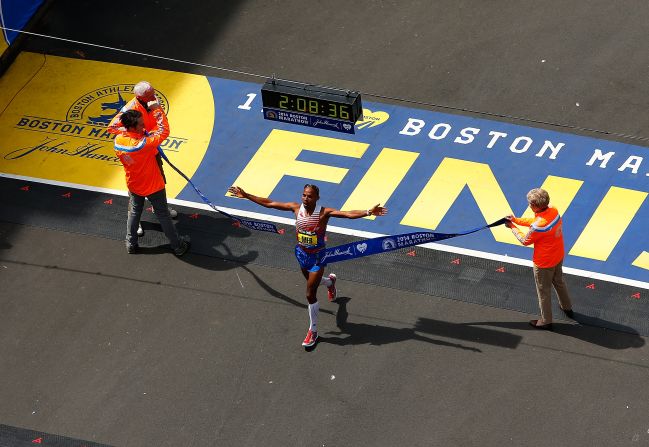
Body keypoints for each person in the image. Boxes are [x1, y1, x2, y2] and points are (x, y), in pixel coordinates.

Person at [228, 184, 388, 347]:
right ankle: (330, 282)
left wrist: (368, 212)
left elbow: (347, 214)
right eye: (304, 195)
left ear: (317, 198)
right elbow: (269, 203)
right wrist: (246, 195)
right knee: (314, 283)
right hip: (302, 254)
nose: (305, 198)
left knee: (310, 293)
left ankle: (313, 331)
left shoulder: (324, 213)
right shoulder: (296, 209)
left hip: (318, 257)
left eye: (309, 196)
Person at [114, 105, 190, 257]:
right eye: (141, 124)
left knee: (134, 212)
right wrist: (157, 110)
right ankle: (177, 246)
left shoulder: (119, 140)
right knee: (163, 214)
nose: (144, 126)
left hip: (134, 183)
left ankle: (131, 243)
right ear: (133, 127)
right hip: (153, 185)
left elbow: (116, 127)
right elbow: (164, 132)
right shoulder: (144, 144)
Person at [108, 81, 177, 236]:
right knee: (135, 185)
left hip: (150, 149)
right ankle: (136, 220)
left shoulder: (152, 102)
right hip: (138, 151)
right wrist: (136, 133)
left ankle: (160, 207)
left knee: (159, 177)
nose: (154, 96)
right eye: (150, 95)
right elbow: (111, 127)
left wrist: (146, 135)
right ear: (139, 97)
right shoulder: (130, 109)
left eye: (154, 92)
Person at [505, 188, 573, 330]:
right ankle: (566, 307)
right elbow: (536, 220)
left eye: (530, 204)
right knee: (559, 281)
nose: (529, 206)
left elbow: (524, 240)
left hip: (543, 263)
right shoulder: (554, 211)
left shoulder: (538, 227)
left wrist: (512, 226)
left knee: (544, 291)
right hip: (558, 254)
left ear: (534, 206)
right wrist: (517, 220)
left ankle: (546, 321)